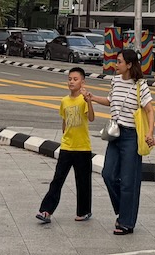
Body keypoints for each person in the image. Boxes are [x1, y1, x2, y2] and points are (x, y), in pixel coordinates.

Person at [86, 46, 154, 236]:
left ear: (129, 65)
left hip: (131, 136)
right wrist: (93, 98)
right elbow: (110, 100)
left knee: (128, 181)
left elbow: (150, 110)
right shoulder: (115, 81)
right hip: (115, 133)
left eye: (119, 62)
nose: (116, 65)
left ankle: (126, 222)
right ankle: (123, 209)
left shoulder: (140, 85)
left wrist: (150, 132)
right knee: (108, 174)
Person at [35, 67, 94, 225]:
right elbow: (64, 121)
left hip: (83, 147)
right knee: (57, 179)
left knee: (83, 182)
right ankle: (46, 211)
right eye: (69, 79)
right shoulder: (64, 101)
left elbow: (91, 118)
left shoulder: (84, 99)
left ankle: (84, 211)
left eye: (75, 79)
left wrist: (89, 101)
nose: (71, 82)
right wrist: (64, 137)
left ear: (82, 82)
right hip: (67, 147)